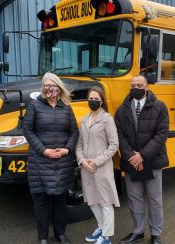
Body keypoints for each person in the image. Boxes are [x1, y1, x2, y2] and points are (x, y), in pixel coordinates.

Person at [23, 72, 79, 244]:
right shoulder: (34, 106)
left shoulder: (67, 108)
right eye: (46, 85)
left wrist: (67, 150)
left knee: (59, 202)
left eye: (52, 85)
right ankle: (42, 237)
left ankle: (60, 234)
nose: (49, 88)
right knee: (41, 203)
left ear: (59, 87)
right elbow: (28, 130)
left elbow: (74, 132)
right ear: (43, 88)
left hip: (61, 163)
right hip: (40, 162)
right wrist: (44, 150)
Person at [114, 75, 169, 244]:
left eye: (139, 84)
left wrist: (142, 156)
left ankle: (156, 234)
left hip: (152, 161)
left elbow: (161, 135)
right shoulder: (122, 109)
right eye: (133, 85)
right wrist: (132, 156)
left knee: (155, 199)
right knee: (134, 198)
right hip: (132, 162)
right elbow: (119, 135)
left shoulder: (160, 107)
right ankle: (137, 232)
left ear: (146, 87)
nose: (136, 87)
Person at [76, 86, 120, 244]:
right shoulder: (84, 120)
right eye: (90, 98)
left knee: (105, 201)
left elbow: (114, 145)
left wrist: (96, 161)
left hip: (101, 167)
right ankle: (101, 227)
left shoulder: (107, 119)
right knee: (93, 200)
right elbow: (79, 144)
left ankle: (106, 237)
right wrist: (81, 160)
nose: (92, 101)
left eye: (96, 99)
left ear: (101, 101)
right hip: (86, 168)